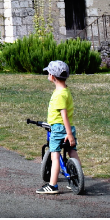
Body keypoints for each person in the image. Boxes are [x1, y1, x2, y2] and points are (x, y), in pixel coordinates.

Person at [37, 58, 76, 194]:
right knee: (72, 152)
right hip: (68, 127)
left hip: (59, 128)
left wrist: (67, 133)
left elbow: (63, 115)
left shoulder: (59, 95)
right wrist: (70, 132)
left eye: (48, 73)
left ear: (52, 76)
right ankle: (76, 179)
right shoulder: (66, 91)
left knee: (55, 155)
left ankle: (52, 185)